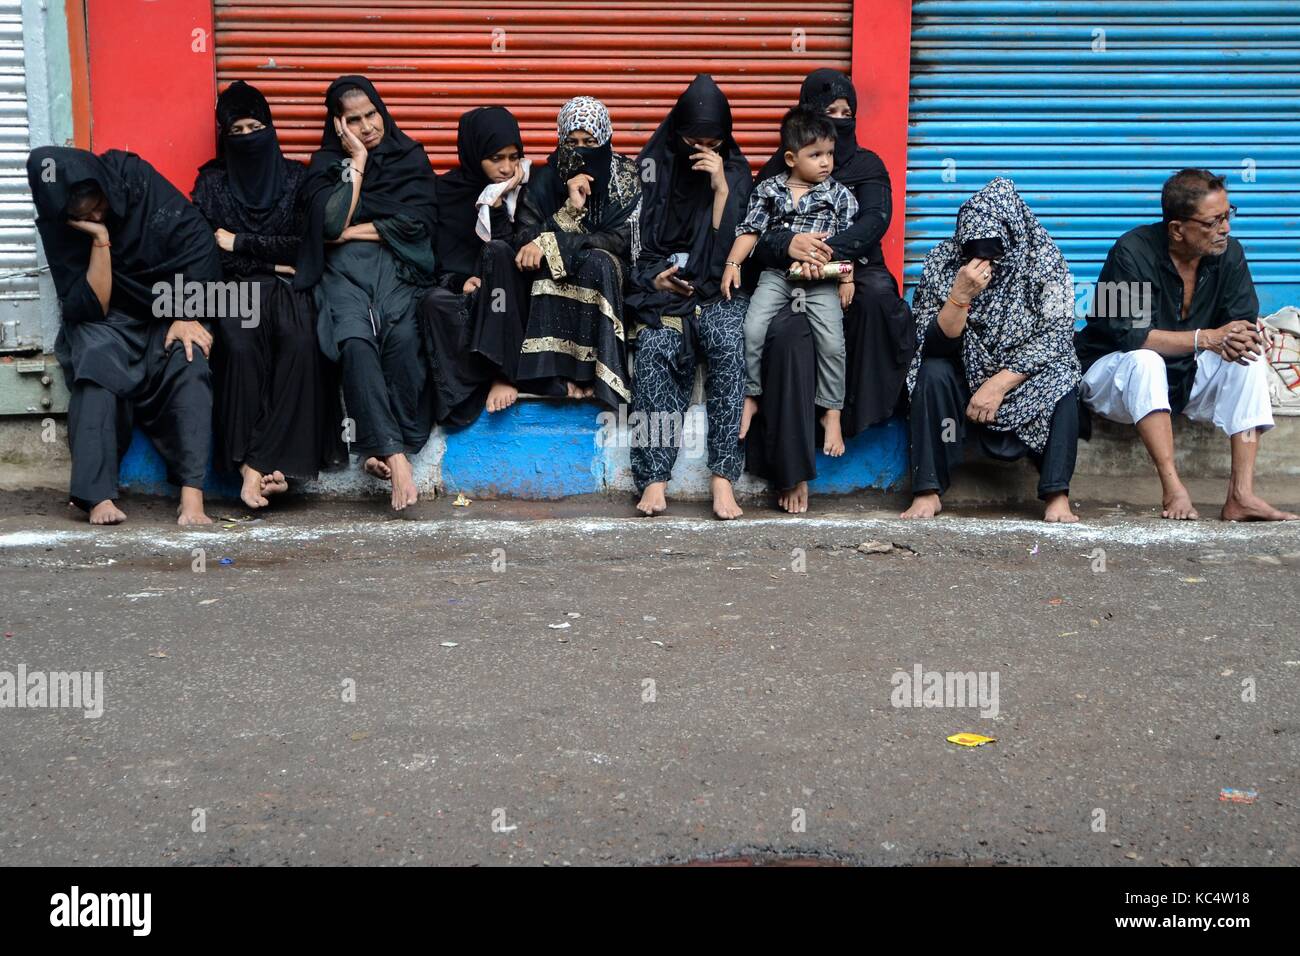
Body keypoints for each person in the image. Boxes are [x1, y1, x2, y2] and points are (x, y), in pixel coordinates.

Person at [1076, 168, 1295, 521]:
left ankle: (1241, 496)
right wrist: (1205, 338)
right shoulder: (1129, 252)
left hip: (1184, 378)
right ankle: (1173, 489)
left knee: (1249, 357)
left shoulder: (1229, 253)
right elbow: (1131, 337)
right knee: (1145, 359)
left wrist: (1238, 338)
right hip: (1113, 378)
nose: (1225, 228)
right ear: (1177, 229)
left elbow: (1241, 323)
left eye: (1228, 215)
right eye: (1213, 222)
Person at [742, 69, 916, 513]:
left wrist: (825, 254)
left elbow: (874, 222)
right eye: (829, 113)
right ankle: (791, 464)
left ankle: (849, 413)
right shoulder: (778, 174)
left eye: (847, 114)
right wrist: (789, 246)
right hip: (788, 273)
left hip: (851, 266)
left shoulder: (867, 167)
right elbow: (754, 234)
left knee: (876, 302)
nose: (839, 122)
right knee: (787, 337)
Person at [28, 146, 221, 526]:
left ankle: (192, 498)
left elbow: (197, 241)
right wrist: (100, 238)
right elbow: (90, 307)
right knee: (96, 368)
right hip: (107, 320)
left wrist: (185, 314)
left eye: (98, 205)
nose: (97, 215)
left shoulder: (132, 180)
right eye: (82, 216)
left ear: (103, 185)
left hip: (168, 308)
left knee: (190, 360)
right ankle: (98, 496)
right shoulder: (58, 224)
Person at [192, 80, 345, 509]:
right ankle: (250, 466)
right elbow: (207, 251)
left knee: (299, 344)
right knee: (238, 348)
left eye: (254, 127)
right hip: (234, 291)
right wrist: (268, 259)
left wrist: (240, 242)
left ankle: (269, 464)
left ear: (270, 128)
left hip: (288, 287)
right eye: (235, 131)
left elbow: (303, 246)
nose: (246, 138)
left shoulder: (297, 178)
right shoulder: (210, 183)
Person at [295, 75, 438, 512]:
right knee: (355, 343)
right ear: (338, 125)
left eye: (372, 115)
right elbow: (329, 225)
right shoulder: (324, 165)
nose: (368, 127)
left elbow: (417, 223)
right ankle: (396, 458)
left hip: (396, 268)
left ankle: (386, 445)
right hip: (340, 274)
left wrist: (355, 228)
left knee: (404, 338)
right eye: (353, 121)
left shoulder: (408, 157)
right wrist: (356, 161)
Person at [902, 178, 1082, 523]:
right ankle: (928, 491)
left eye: (992, 251)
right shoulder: (943, 261)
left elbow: (1057, 334)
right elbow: (935, 341)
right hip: (965, 372)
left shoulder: (1046, 261)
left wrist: (998, 384)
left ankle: (1057, 495)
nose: (983, 261)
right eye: (973, 249)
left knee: (1064, 373)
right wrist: (960, 295)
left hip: (1021, 375)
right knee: (932, 370)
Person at [625, 74, 753, 519]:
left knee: (726, 343)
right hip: (664, 297)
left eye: (710, 143)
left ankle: (722, 478)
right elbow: (636, 247)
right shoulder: (654, 166)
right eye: (691, 141)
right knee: (656, 348)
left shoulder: (735, 171)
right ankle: (654, 479)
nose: (700, 150)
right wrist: (656, 279)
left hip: (717, 292)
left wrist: (721, 188)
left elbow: (730, 256)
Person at [722, 106, 857, 457]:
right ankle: (752, 395)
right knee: (752, 329)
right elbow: (750, 230)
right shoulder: (769, 190)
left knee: (832, 342)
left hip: (821, 280)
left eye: (829, 153)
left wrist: (846, 277)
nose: (826, 162)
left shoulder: (838, 194)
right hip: (778, 276)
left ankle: (831, 411)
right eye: (816, 155)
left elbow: (850, 239)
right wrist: (733, 263)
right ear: (791, 158)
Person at [513, 96, 641, 409]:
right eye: (572, 142)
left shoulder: (625, 179)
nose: (581, 150)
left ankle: (594, 376)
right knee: (557, 261)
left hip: (616, 276)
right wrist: (570, 208)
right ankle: (560, 374)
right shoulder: (546, 180)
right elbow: (525, 237)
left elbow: (621, 241)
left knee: (593, 261)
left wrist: (556, 243)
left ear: (606, 139)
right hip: (561, 274)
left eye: (590, 141)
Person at [421, 106, 531, 422]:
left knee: (497, 252)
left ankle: (502, 373)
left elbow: (518, 254)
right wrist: (459, 281)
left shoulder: (525, 191)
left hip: (514, 299)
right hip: (472, 293)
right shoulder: (446, 192)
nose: (507, 168)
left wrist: (497, 204)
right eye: (496, 159)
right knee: (433, 302)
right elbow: (437, 259)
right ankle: (465, 392)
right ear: (473, 154)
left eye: (513, 157)